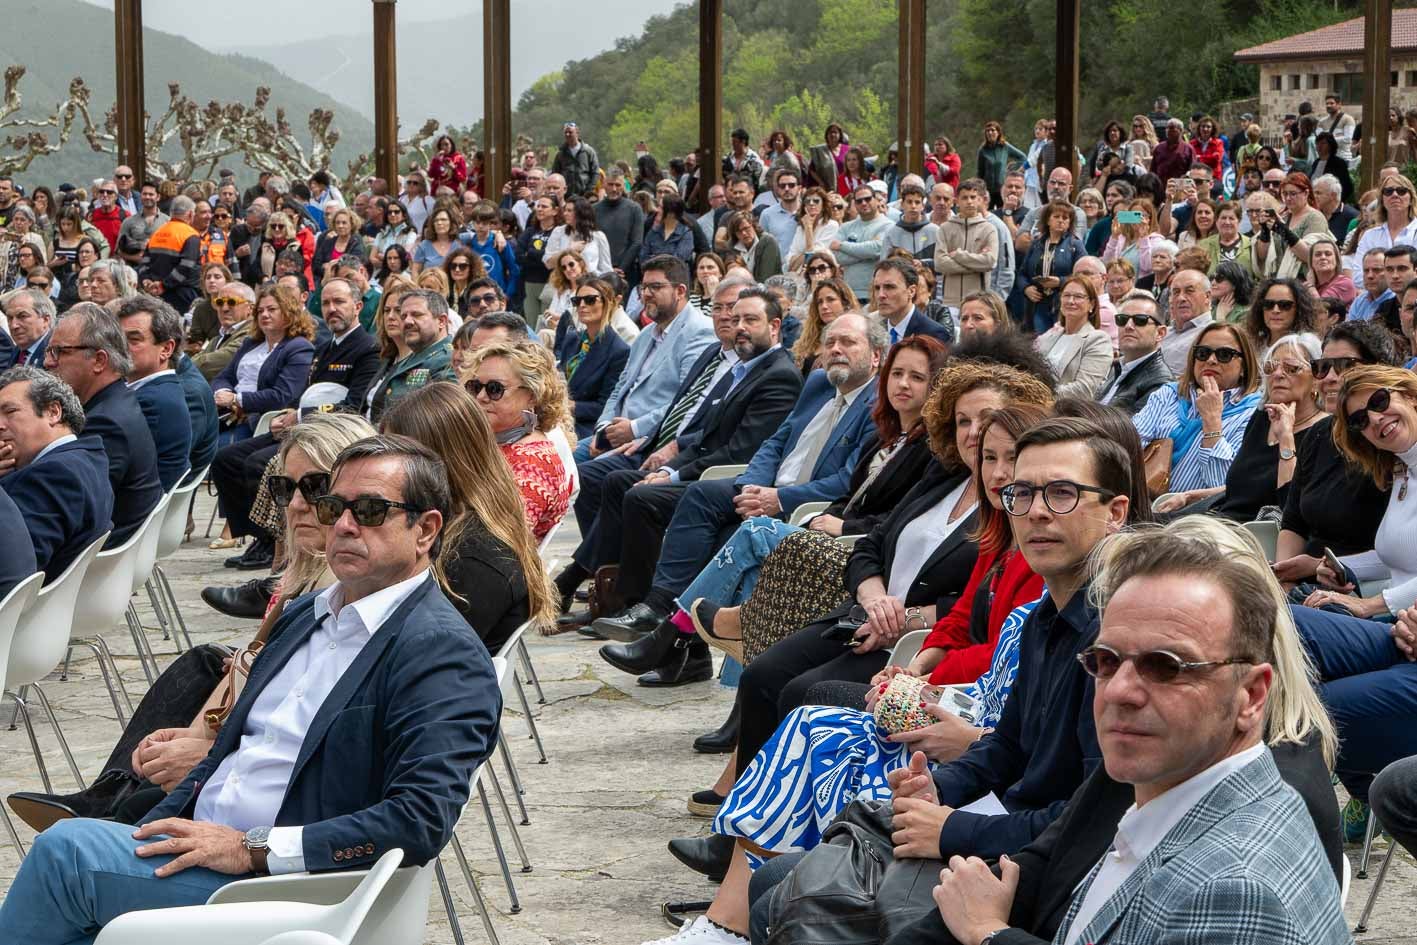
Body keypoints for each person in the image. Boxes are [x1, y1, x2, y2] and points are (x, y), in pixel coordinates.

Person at [0, 434, 502, 945]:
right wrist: (148, 827)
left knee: (67, 855)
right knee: (75, 905)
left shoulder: (440, 651)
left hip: (294, 887)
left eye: (372, 510)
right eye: (335, 506)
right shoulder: (306, 615)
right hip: (203, 847)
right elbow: (229, 751)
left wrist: (254, 846)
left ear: (425, 529)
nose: (346, 525)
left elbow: (419, 819)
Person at [897, 516, 1347, 945]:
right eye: (1106, 661)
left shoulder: (1239, 890)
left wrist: (988, 932)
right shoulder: (1161, 764)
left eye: (1165, 666)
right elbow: (1045, 856)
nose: (1120, 692)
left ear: (1250, 695)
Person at [10, 413, 376, 826]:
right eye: (285, 487)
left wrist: (209, 752)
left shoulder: (350, 591)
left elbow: (303, 721)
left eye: (315, 487)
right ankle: (112, 791)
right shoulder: (309, 577)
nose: (295, 504)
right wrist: (196, 738)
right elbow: (259, 661)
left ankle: (115, 801)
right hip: (252, 763)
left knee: (103, 831)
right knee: (205, 663)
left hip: (272, 805)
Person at [593, 312, 884, 683]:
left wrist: (779, 499)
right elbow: (776, 441)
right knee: (694, 497)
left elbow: (846, 481)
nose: (836, 350)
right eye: (830, 343)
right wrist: (752, 485)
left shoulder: (876, 404)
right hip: (764, 488)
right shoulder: (817, 384)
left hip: (803, 505)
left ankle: (679, 643)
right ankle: (660, 609)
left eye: (848, 342)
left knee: (727, 539)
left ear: (875, 355)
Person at [379, 383, 553, 654]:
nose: (382, 471)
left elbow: (420, 656)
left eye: (395, 459)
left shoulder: (474, 559)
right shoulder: (454, 526)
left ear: (442, 461)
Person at [1158, 333, 1326, 519]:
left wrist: (1286, 439)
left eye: (1292, 368)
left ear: (1317, 378)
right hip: (1223, 517)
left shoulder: (1323, 431)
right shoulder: (1262, 416)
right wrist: (1190, 495)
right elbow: (1242, 487)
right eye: (1271, 367)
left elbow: (1292, 504)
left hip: (1254, 532)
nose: (1277, 374)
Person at [1301, 365, 1417, 620]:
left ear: (1409, 395)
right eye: (1360, 420)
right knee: (1291, 604)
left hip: (1396, 621)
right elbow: (1401, 557)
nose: (1375, 418)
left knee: (1297, 623)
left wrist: (1370, 605)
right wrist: (1340, 567)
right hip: (1393, 620)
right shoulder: (1401, 471)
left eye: (1379, 400)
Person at [43, 302, 162, 547]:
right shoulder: (112, 403)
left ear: (99, 360)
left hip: (96, 565)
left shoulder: (105, 422)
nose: (48, 362)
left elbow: (68, 503)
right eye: (49, 351)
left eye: (60, 352)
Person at [0, 366, 113, 579]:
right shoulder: (86, 457)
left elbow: (15, 566)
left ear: (53, 412)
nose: (0, 425)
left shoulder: (52, 474)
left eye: (10, 412)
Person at [1135, 322, 1263, 496]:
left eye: (1224, 355)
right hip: (1145, 502)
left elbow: (1221, 484)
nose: (1211, 360)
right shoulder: (1168, 395)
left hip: (1200, 516)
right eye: (1203, 353)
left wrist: (1212, 421)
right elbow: (1131, 445)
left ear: (1244, 367)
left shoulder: (1253, 415)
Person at [462, 341, 572, 540]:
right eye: (475, 386)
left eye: (494, 389)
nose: (480, 396)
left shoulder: (533, 464)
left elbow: (501, 541)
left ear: (532, 396)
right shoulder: (494, 442)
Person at [210, 283, 317, 444]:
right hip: (225, 414)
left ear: (288, 312)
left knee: (218, 451)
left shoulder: (299, 347)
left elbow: (282, 396)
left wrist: (236, 399)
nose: (264, 315)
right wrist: (223, 393)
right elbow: (223, 377)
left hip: (259, 421)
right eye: (260, 311)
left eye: (272, 309)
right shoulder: (250, 343)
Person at [117, 296, 194, 491]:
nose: (121, 348)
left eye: (134, 340)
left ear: (166, 349)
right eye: (118, 339)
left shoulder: (152, 401)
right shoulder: (153, 391)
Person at [554, 276, 632, 438]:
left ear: (608, 303)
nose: (582, 305)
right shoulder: (573, 338)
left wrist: (569, 406)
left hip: (584, 426)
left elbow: (605, 406)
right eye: (577, 300)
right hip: (557, 414)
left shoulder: (619, 351)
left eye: (590, 300)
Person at [364, 288, 457, 423]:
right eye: (403, 316)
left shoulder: (448, 360)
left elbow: (442, 421)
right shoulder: (409, 359)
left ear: (441, 321)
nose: (407, 322)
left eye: (416, 315)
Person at [1033, 275, 1112, 399]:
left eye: (1078, 297)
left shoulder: (1098, 340)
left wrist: (1041, 396)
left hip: (1067, 411)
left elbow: (1084, 389)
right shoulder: (1049, 336)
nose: (1070, 301)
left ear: (1091, 304)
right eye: (1066, 295)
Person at [1098, 291, 1174, 414]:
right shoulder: (1117, 368)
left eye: (1140, 320)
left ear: (1160, 333)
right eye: (1122, 319)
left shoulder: (1161, 384)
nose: (1128, 326)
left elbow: (1128, 431)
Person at [1019, 200, 1086, 333]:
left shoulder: (1075, 245)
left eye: (1065, 218)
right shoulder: (1036, 244)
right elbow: (1022, 273)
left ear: (1070, 223)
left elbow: (1084, 276)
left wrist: (1060, 282)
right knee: (1039, 342)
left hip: (1063, 303)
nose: (1061, 221)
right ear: (1048, 220)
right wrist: (1026, 288)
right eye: (1056, 217)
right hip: (1038, 303)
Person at [936, 179, 1000, 311]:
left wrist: (959, 256)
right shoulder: (945, 228)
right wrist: (976, 266)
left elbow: (990, 261)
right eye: (964, 198)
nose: (969, 201)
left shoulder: (989, 229)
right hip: (950, 302)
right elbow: (940, 263)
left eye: (973, 197)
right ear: (957, 201)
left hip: (978, 301)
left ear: (980, 200)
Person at [831, 184, 892, 302]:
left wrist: (843, 246)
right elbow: (837, 257)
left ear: (876, 200)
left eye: (868, 199)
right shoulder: (845, 227)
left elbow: (878, 249)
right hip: (849, 293)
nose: (864, 203)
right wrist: (867, 254)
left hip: (876, 293)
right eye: (859, 201)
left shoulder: (888, 225)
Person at [872, 257, 951, 345]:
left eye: (890, 287)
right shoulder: (873, 332)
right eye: (877, 288)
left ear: (911, 291)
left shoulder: (933, 334)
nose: (880, 295)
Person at [191, 281, 254, 381]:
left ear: (250, 308)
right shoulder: (218, 338)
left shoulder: (252, 334)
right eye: (219, 302)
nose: (224, 308)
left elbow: (205, 365)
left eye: (232, 302)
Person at [1156, 268, 1214, 375]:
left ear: (1207, 296)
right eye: (1176, 292)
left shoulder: (1213, 334)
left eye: (1189, 291)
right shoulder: (1162, 333)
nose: (1181, 298)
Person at [1245, 276, 1321, 350]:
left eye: (1285, 305)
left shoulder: (1306, 344)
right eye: (1268, 304)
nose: (1275, 310)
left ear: (1299, 309)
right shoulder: (1252, 344)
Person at [785, 187, 839, 273]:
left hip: (821, 272)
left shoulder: (831, 225)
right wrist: (803, 255)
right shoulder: (800, 227)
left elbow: (814, 254)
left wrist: (809, 228)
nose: (811, 203)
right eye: (808, 201)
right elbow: (790, 258)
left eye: (816, 201)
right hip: (800, 275)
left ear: (823, 205)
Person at [976, 122, 1027, 209]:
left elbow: (1022, 157)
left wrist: (1013, 170)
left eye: (992, 130)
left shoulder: (1004, 146)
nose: (990, 133)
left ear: (998, 132)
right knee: (988, 214)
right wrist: (980, 189)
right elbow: (980, 171)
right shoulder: (983, 150)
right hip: (988, 189)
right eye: (987, 131)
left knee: (1004, 212)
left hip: (1002, 188)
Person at [115, 181, 167, 265]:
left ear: (158, 197)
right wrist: (136, 258)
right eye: (144, 194)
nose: (147, 197)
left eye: (151, 194)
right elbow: (118, 251)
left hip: (160, 269)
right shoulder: (128, 221)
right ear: (140, 196)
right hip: (134, 270)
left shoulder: (167, 221)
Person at [2, 285, 52, 368]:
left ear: (45, 320)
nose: (14, 325)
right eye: (10, 318)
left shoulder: (55, 354)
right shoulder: (19, 350)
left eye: (22, 316)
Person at [551, 121, 600, 198]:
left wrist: (589, 191)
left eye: (570, 132)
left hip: (584, 196)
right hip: (566, 196)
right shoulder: (560, 154)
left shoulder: (588, 151)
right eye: (565, 132)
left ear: (577, 132)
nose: (567, 134)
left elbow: (595, 173)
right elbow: (555, 173)